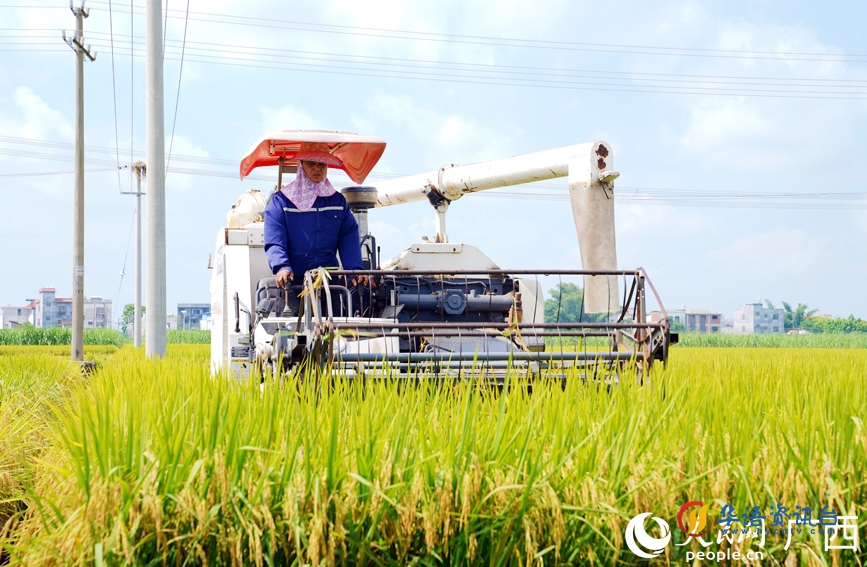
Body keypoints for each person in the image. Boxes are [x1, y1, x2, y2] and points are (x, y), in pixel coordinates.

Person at [263, 142, 366, 290]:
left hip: (330, 283)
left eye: (322, 164)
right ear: (301, 165)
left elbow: (348, 236)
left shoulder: (338, 201)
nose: (317, 168)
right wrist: (282, 266)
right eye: (311, 163)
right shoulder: (281, 201)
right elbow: (274, 241)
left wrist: (355, 269)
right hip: (293, 282)